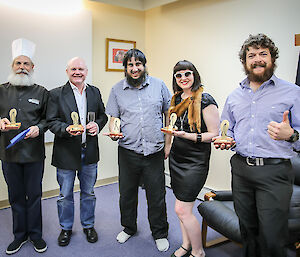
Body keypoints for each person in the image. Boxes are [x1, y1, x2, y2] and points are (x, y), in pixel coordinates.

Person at [214, 33, 300, 257]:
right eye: (251, 55)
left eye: (263, 54)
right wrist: (227, 139)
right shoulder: (234, 96)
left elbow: (297, 134)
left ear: (272, 59)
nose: (257, 59)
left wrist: (291, 135)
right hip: (241, 170)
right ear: (245, 62)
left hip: (275, 172)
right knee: (248, 232)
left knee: (272, 238)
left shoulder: (293, 92)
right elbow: (228, 127)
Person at [105, 48, 171, 252]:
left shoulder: (159, 85)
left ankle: (159, 232)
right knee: (127, 193)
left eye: (138, 64)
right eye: (130, 65)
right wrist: (113, 130)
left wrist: (168, 144)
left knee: (157, 194)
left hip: (154, 151)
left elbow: (169, 115)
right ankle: (129, 227)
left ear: (144, 65)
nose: (134, 69)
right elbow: (113, 118)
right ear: (125, 68)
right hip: (128, 151)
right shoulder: (117, 90)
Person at [46, 57, 108, 247]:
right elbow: (51, 122)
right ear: (67, 72)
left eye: (81, 69)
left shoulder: (94, 92)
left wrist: (97, 125)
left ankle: (88, 226)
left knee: (88, 193)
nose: (77, 72)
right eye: (73, 69)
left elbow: (103, 115)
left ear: (86, 72)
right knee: (65, 195)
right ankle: (66, 228)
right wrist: (66, 129)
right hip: (66, 152)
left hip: (89, 152)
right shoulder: (56, 94)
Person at [0, 38, 48, 255]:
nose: (21, 68)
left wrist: (40, 128)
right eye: (18, 63)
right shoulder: (0, 90)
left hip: (34, 154)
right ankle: (19, 236)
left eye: (25, 64)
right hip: (8, 153)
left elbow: (49, 119)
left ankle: (36, 235)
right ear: (12, 66)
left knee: (35, 195)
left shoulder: (41, 92)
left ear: (32, 67)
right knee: (16, 196)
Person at [167, 61, 219, 257]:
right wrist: (168, 145)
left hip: (195, 162)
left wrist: (189, 136)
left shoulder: (205, 99)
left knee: (182, 209)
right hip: (177, 159)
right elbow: (171, 128)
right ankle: (185, 245)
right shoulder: (176, 99)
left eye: (187, 74)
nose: (183, 78)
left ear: (194, 75)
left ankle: (198, 252)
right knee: (181, 207)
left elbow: (214, 134)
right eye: (178, 76)